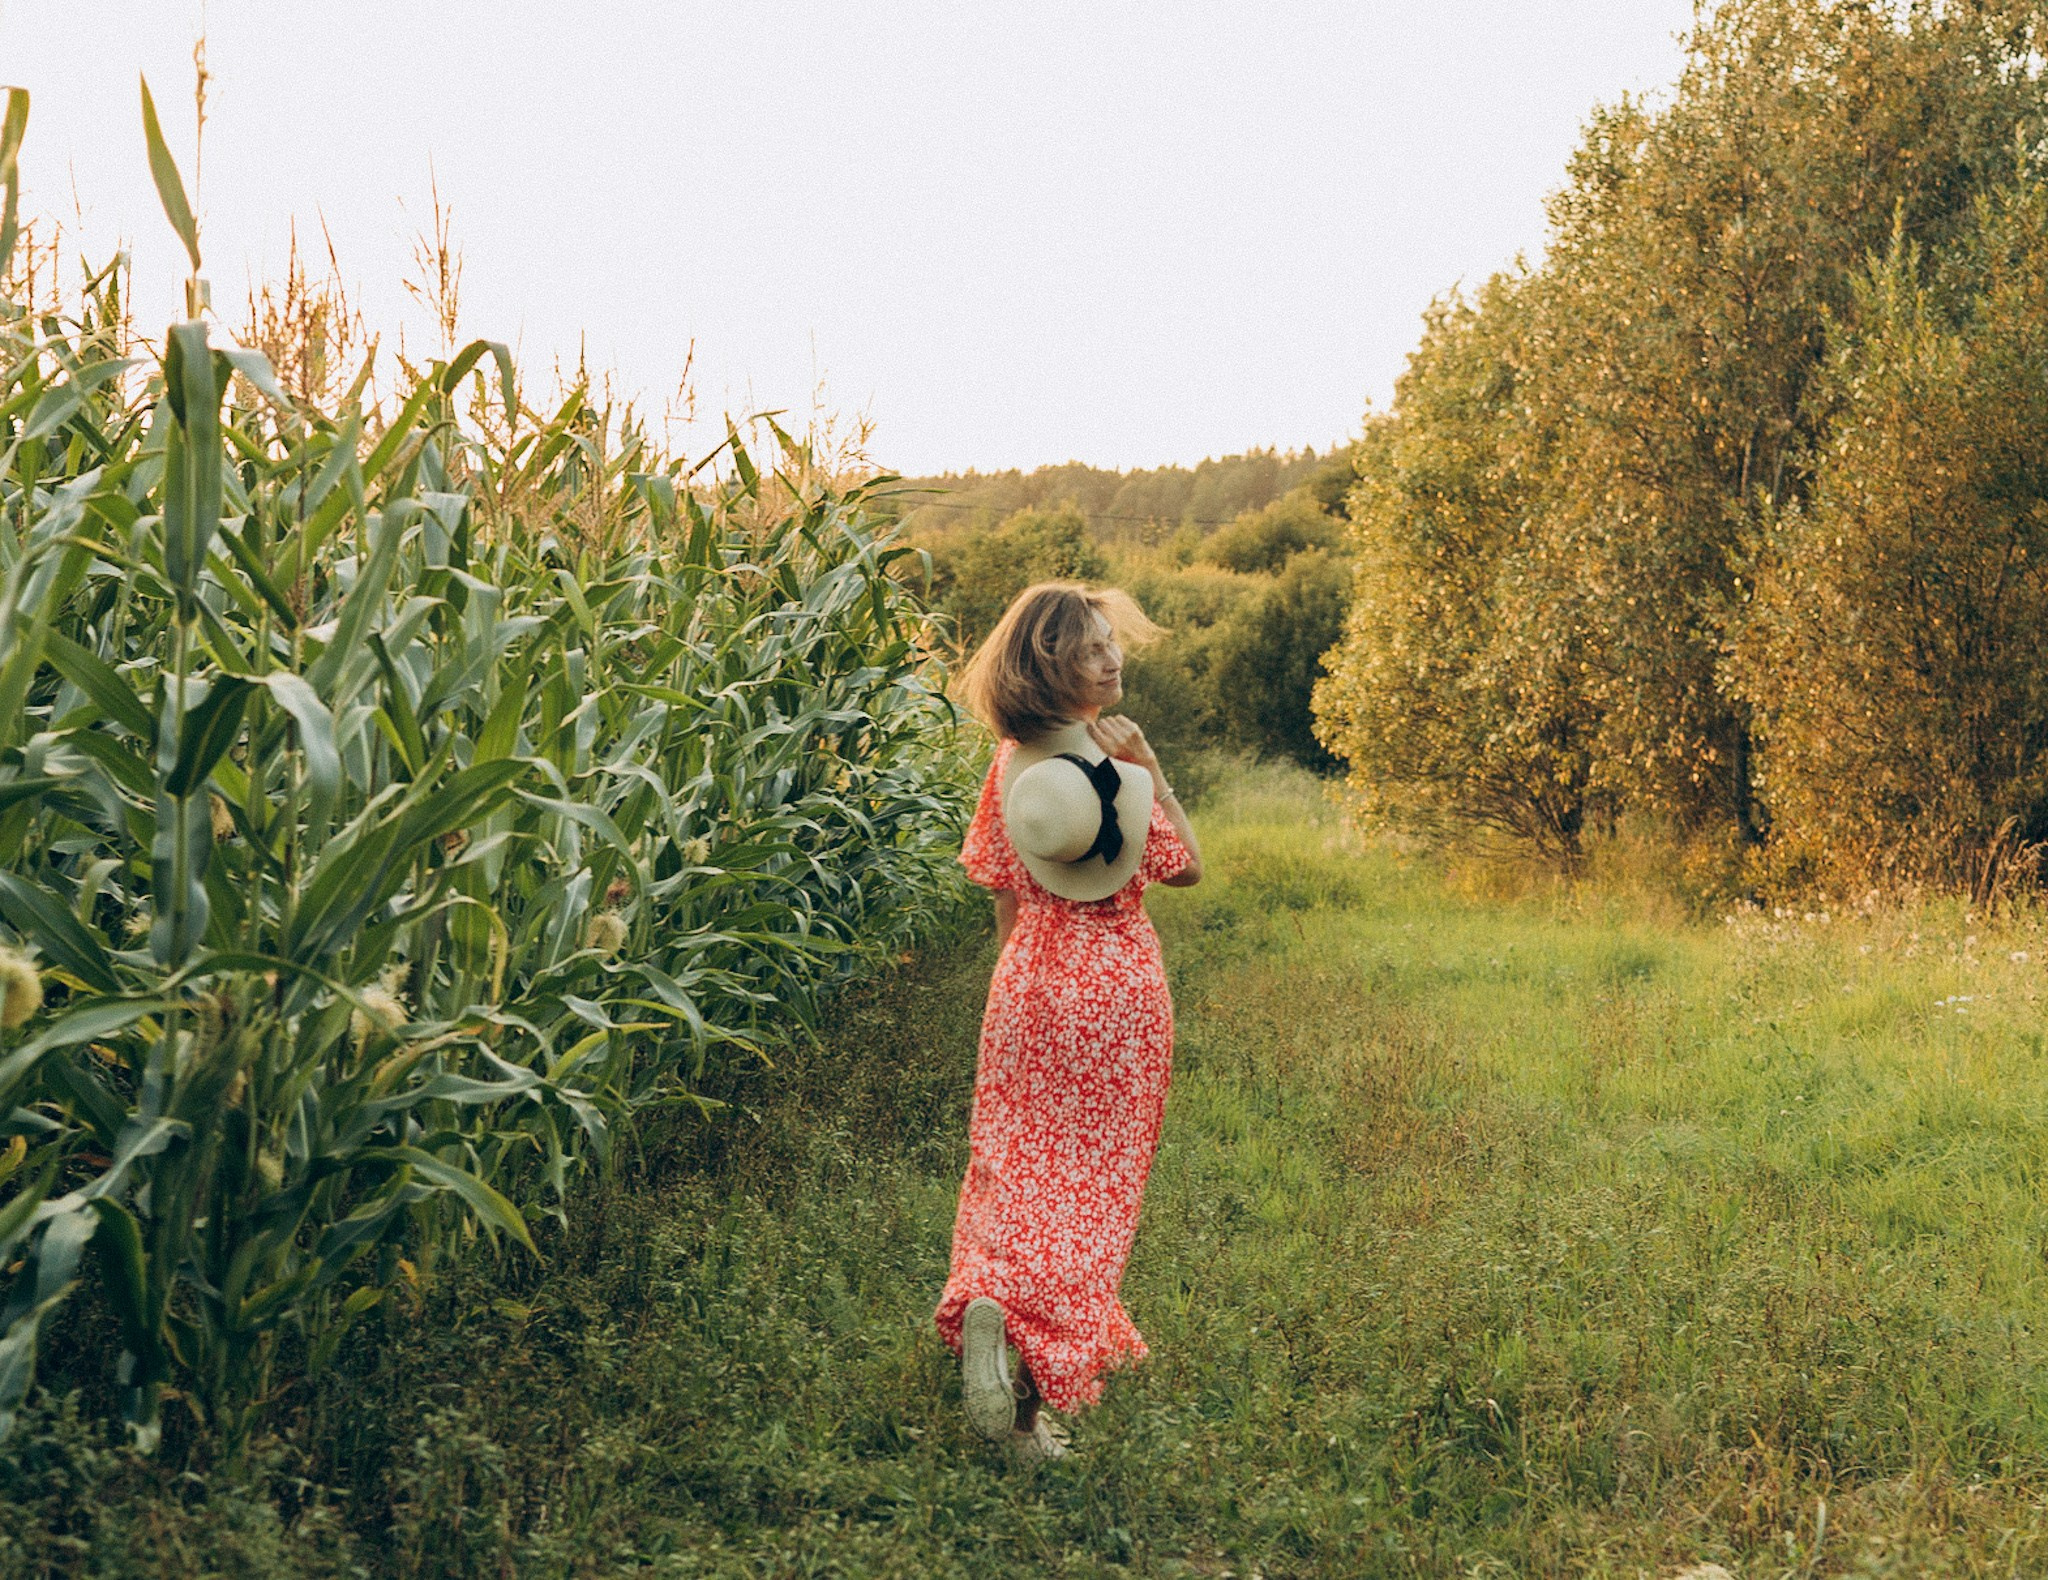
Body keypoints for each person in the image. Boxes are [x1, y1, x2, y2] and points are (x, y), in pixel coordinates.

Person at [932, 580, 1204, 1465]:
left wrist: (1017, 992)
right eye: (1091, 648)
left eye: (1110, 642)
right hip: (1116, 987)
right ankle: (1022, 1411)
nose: (1112, 657)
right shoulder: (1117, 768)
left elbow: (1005, 898)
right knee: (1091, 1192)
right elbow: (1187, 867)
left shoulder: (1013, 767)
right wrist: (1152, 771)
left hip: (1025, 988)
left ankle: (990, 1295)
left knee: (1014, 1166)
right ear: (1053, 664)